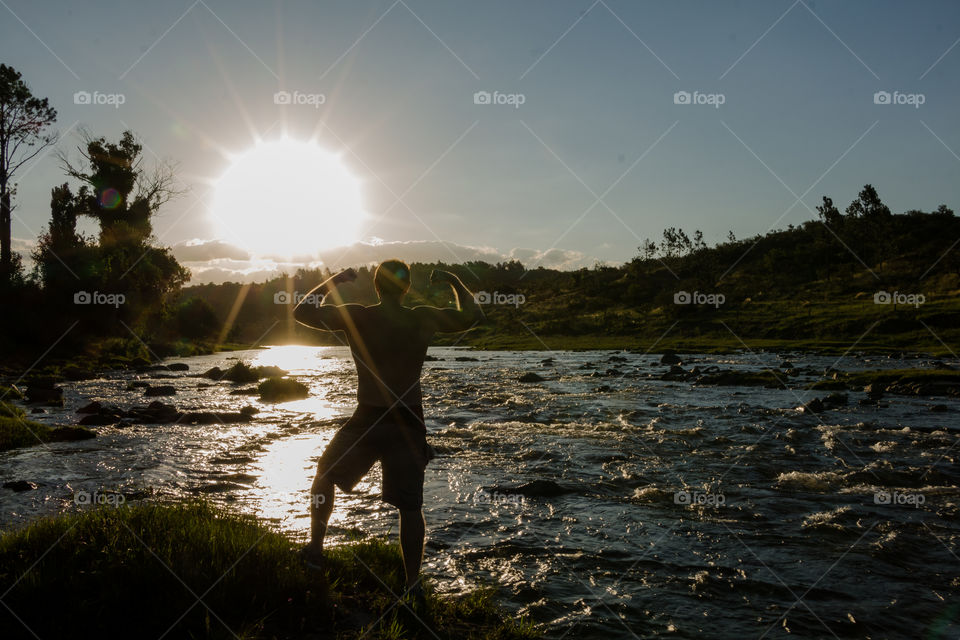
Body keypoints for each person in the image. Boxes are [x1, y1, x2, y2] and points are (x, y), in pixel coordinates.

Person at [293, 259, 482, 600]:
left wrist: (336, 280)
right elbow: (472, 314)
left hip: (368, 418)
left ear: (377, 287)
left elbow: (302, 312)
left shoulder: (360, 315)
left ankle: (316, 554)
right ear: (407, 287)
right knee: (410, 507)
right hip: (408, 421)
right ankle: (412, 585)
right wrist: (452, 280)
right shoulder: (422, 316)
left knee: (324, 476)